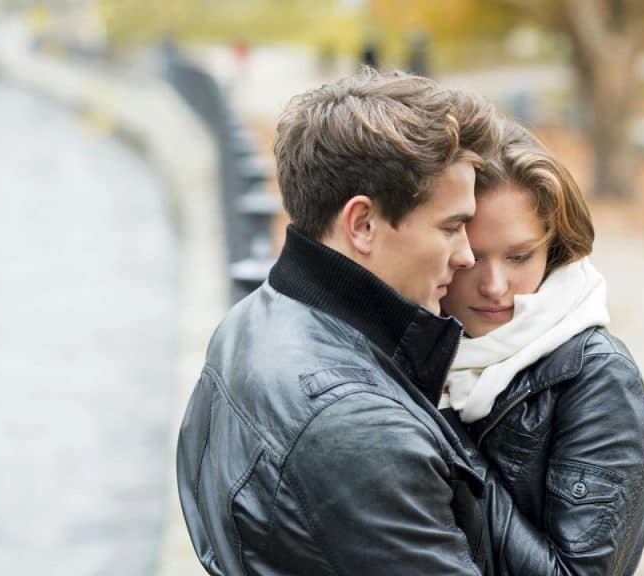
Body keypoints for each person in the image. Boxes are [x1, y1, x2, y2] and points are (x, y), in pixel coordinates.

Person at [176, 70, 505, 574]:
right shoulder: (357, 428)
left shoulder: (250, 319)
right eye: (452, 226)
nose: (465, 255)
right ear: (363, 224)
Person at [440, 120, 644, 575]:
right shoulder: (418, 340)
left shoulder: (599, 377)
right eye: (473, 256)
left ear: (555, 249)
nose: (494, 286)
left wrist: (442, 439)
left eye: (519, 257)